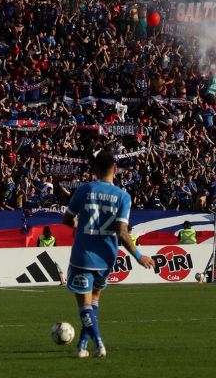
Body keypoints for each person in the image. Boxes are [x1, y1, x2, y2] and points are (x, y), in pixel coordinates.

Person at [63, 150, 152, 359]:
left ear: (94, 169)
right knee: (94, 301)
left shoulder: (84, 190)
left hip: (83, 255)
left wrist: (76, 223)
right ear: (116, 170)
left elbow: (67, 219)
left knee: (84, 305)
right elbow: (122, 231)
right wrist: (139, 256)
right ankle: (82, 346)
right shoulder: (123, 196)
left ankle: (99, 343)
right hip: (106, 257)